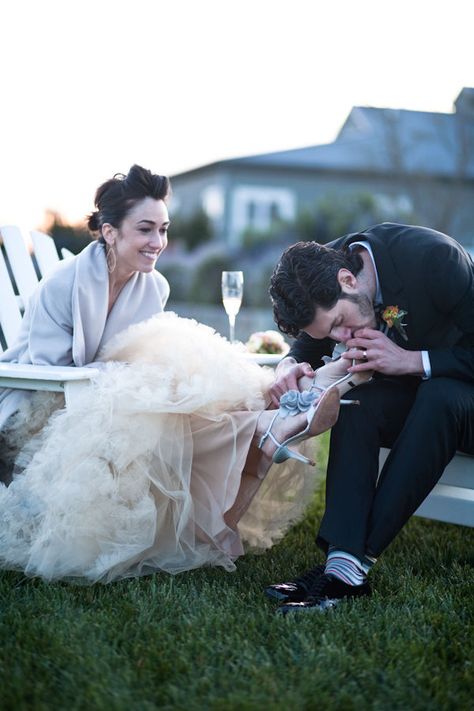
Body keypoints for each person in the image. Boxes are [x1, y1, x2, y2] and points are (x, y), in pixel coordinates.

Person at [0, 164, 340, 583]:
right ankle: (268, 424)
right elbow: (49, 372)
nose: (158, 242)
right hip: (41, 407)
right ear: (110, 232)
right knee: (169, 402)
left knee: (186, 393)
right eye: (146, 229)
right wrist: (134, 380)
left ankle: (265, 421)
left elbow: (140, 355)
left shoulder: (153, 286)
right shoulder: (62, 283)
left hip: (115, 402)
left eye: (163, 229)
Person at [266, 222, 474, 614]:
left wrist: (411, 361)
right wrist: (288, 365)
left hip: (461, 398)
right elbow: (310, 340)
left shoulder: (435, 258)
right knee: (356, 403)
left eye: (341, 323)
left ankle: (348, 569)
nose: (342, 337)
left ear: (348, 279)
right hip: (423, 402)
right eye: (335, 332)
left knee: (439, 393)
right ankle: (341, 564)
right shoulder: (321, 266)